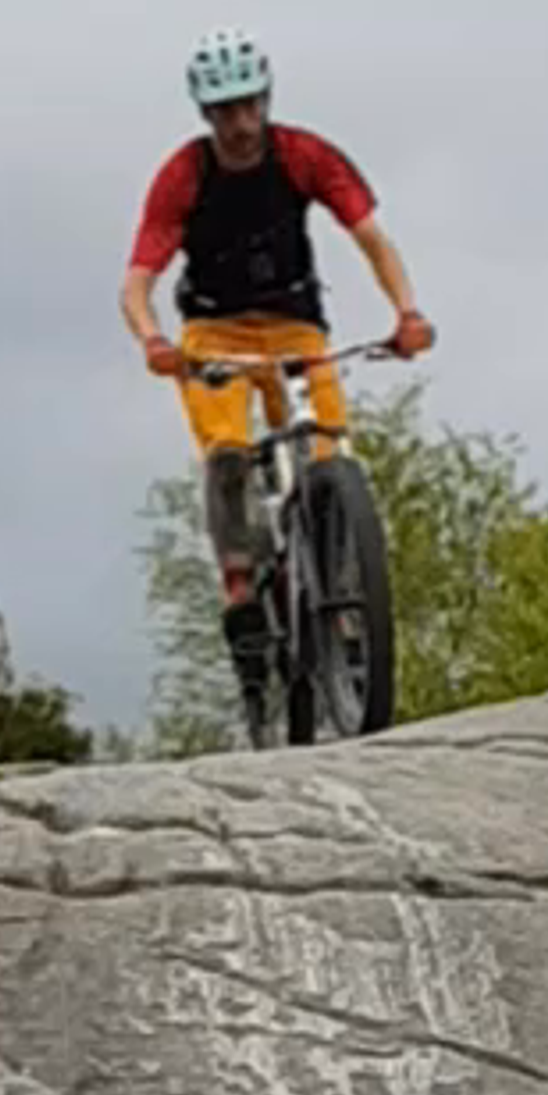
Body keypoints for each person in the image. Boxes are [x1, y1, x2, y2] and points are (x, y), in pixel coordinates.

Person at [121, 36, 431, 728]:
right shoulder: (185, 174)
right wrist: (153, 340)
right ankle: (243, 593)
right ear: (207, 113)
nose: (241, 123)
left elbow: (373, 238)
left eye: (251, 105)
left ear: (267, 100)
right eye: (227, 110)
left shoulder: (304, 156)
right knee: (228, 453)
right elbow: (137, 280)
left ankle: (342, 591)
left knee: (331, 450)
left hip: (296, 328)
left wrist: (406, 311)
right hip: (214, 334)